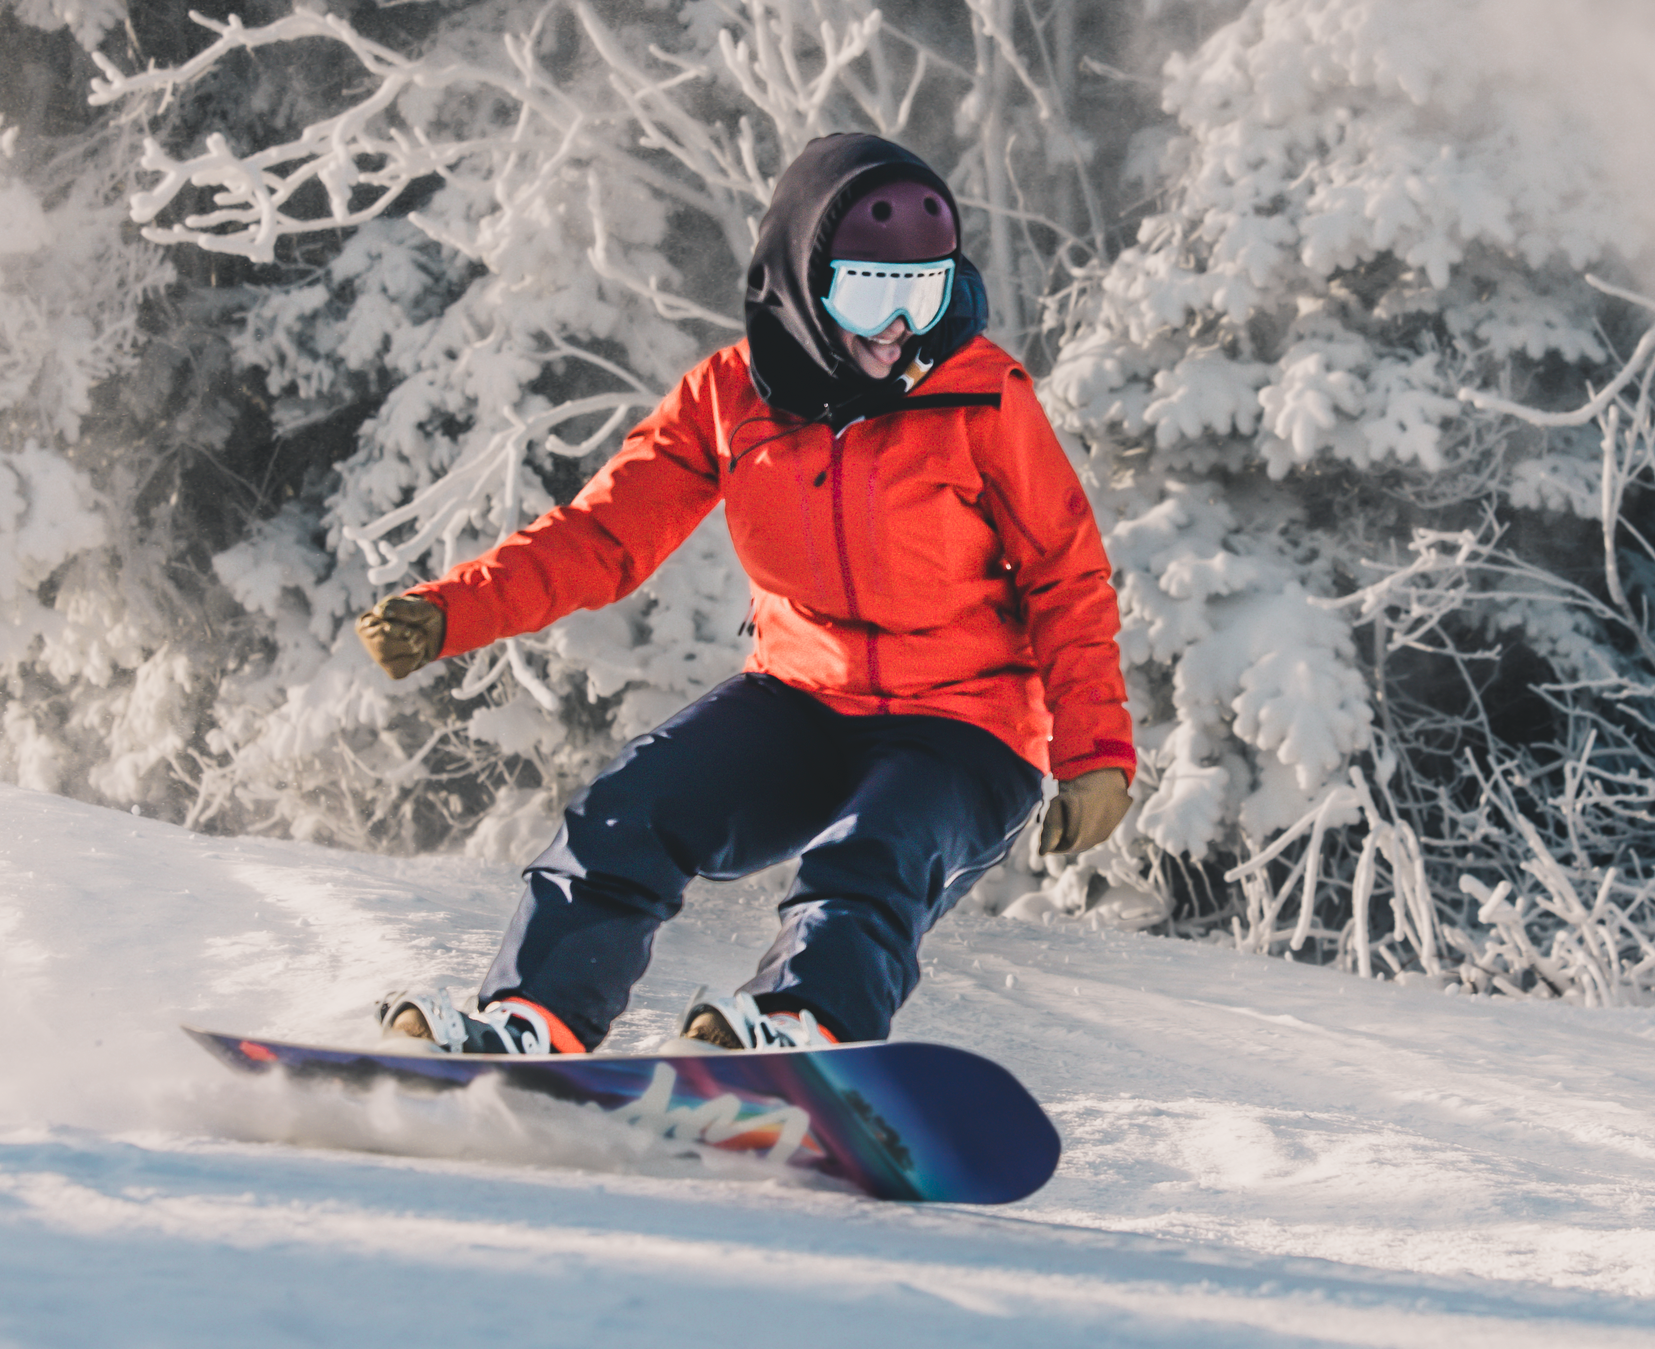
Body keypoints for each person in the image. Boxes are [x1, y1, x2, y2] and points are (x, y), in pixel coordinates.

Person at [352, 133, 1137, 1054]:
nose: (897, 327)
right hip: (803, 702)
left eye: (922, 293)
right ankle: (536, 1018)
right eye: (869, 293)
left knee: (873, 854)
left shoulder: (981, 399)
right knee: (628, 807)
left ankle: (801, 1027)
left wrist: (1096, 753)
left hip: (966, 727)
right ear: (805, 282)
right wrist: (455, 609)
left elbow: (1065, 577)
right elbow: (605, 536)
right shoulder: (730, 398)